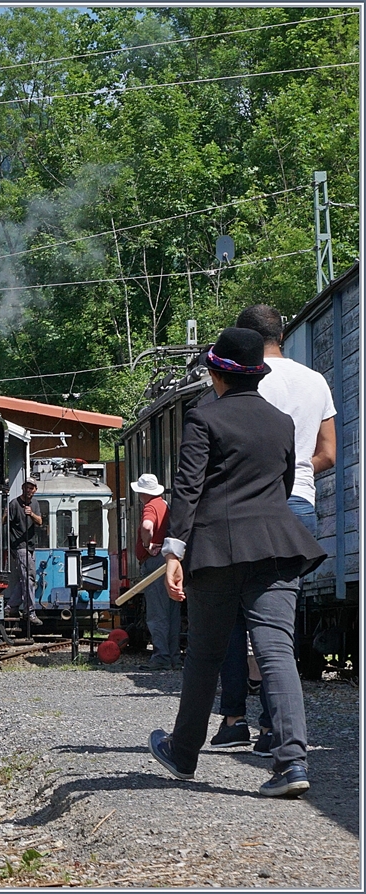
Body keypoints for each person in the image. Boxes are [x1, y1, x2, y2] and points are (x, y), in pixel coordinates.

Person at [149, 328, 325, 798]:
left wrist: (174, 550)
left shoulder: (203, 418)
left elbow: (188, 489)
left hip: (217, 552)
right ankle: (292, 764)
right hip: (277, 546)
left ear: (216, 372)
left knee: (205, 655)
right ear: (258, 374)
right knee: (276, 652)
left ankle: (184, 752)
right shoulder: (281, 422)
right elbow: (286, 485)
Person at [210, 303, 338, 754]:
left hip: (245, 508)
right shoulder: (315, 380)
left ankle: (233, 719)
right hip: (299, 505)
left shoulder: (243, 378)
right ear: (280, 334)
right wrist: (293, 469)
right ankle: (272, 729)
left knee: (231, 617)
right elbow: (328, 454)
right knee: (276, 624)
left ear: (243, 342)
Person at [131, 473, 176, 671]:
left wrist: (146, 544)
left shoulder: (150, 507)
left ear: (142, 493)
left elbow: (147, 526)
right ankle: (174, 656)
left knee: (157, 613)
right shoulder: (165, 504)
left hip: (154, 562)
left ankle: (161, 657)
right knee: (171, 612)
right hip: (169, 560)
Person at [6, 479, 43, 625]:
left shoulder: (35, 504)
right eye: (27, 487)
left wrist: (31, 514)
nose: (29, 490)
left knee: (25, 579)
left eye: (31, 488)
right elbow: (5, 521)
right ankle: (30, 611)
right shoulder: (14, 504)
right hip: (20, 547)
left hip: (31, 546)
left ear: (35, 490)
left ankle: (11, 606)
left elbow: (40, 521)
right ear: (22, 488)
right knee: (29, 577)